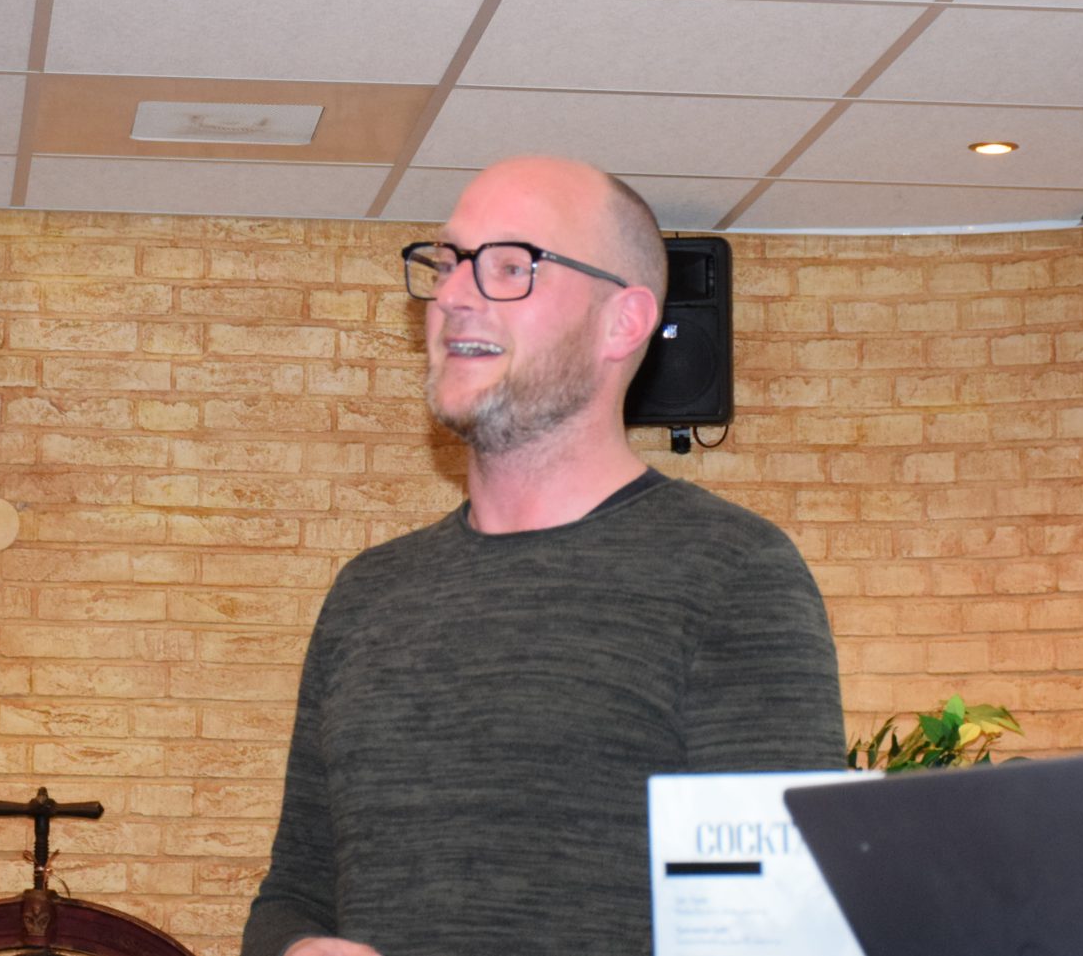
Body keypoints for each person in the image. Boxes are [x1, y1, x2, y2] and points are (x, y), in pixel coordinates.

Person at [240, 157, 845, 956]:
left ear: (623, 321)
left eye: (509, 266)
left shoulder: (733, 574)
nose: (453, 295)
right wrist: (295, 949)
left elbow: (776, 933)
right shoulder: (368, 595)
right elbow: (295, 890)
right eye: (447, 263)